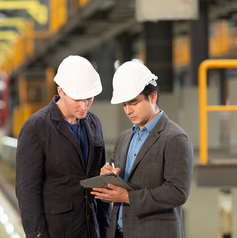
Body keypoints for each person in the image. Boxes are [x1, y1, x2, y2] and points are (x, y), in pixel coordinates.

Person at [91, 60, 193, 238]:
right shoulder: (124, 138)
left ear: (152, 97)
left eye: (134, 103)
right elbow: (122, 182)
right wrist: (108, 176)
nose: (128, 110)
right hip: (119, 232)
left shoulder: (175, 138)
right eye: (124, 105)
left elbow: (177, 192)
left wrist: (127, 197)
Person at [16, 55, 111, 238]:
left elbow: (100, 182)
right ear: (61, 91)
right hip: (57, 230)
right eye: (78, 100)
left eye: (89, 99)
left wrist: (105, 229)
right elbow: (27, 189)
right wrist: (37, 235)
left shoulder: (94, 123)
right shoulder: (36, 127)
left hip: (91, 230)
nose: (84, 106)